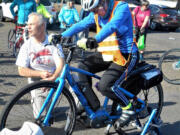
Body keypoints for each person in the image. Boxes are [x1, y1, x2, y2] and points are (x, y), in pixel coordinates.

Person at [60, 0, 139, 127]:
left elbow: (112, 25)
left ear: (104, 2)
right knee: (82, 67)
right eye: (92, 11)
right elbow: (80, 25)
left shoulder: (121, 7)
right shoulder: (95, 13)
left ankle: (128, 108)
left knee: (105, 85)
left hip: (126, 54)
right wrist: (61, 35)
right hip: (109, 53)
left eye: (95, 9)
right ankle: (94, 107)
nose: (94, 13)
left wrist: (95, 40)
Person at [16, 12, 64, 117]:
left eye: (31, 24)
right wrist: (40, 74)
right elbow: (21, 70)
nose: (28, 27)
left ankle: (80, 112)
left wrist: (53, 77)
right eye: (27, 24)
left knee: (76, 80)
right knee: (42, 117)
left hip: (56, 77)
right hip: (37, 82)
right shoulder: (26, 46)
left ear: (42, 26)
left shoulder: (53, 41)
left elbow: (60, 63)